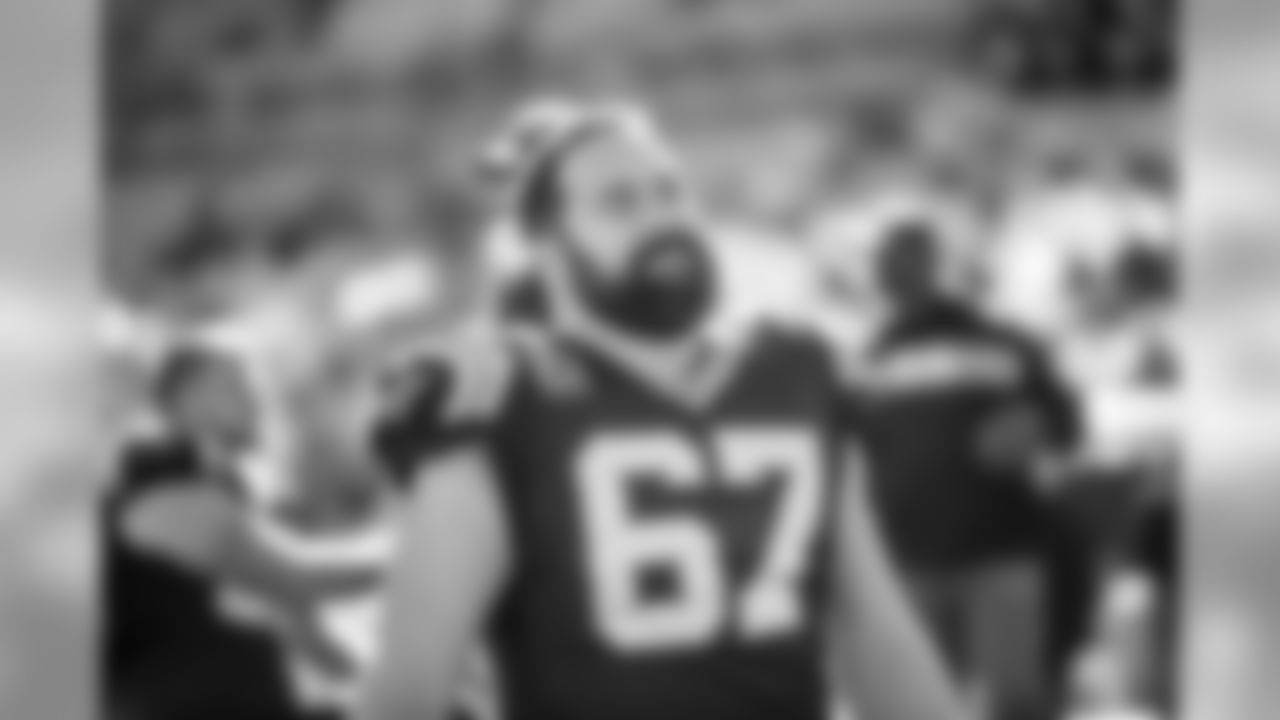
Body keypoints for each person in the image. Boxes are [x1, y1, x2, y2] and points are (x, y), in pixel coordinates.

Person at [358, 104, 962, 720]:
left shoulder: (800, 370)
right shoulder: (498, 395)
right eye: (618, 202)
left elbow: (873, 627)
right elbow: (411, 685)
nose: (660, 217)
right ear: (546, 246)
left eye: (670, 191)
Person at [853, 211, 1083, 720]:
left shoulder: (1003, 342)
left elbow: (1067, 423)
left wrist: (1036, 425)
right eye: (888, 260)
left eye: (909, 258)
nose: (895, 271)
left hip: (997, 555)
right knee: (923, 706)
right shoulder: (866, 358)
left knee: (1015, 704)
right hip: (911, 562)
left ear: (937, 266)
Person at [104, 344, 383, 720]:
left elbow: (289, 615)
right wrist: (413, 568)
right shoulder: (161, 478)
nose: (254, 399)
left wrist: (364, 682)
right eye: (233, 387)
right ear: (189, 405)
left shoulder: (229, 485)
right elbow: (294, 582)